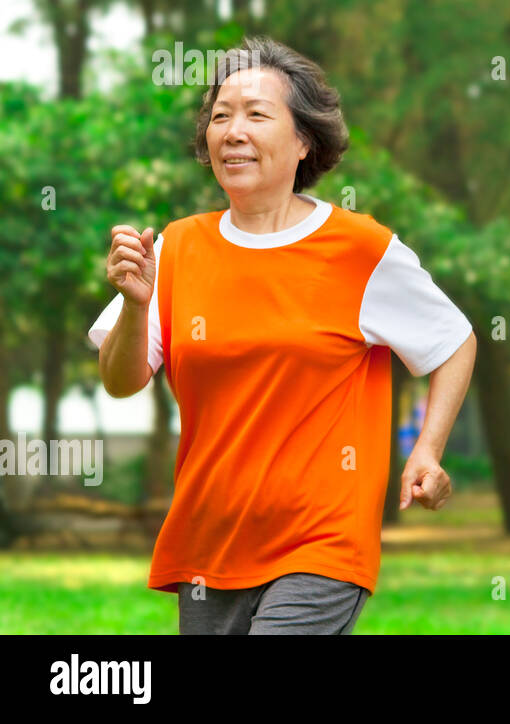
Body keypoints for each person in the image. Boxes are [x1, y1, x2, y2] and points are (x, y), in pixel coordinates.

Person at [89, 36, 476, 634]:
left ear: (303, 142)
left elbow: (452, 340)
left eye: (256, 114)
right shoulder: (175, 247)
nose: (232, 131)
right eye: (220, 116)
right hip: (211, 546)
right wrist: (136, 306)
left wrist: (427, 449)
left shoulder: (359, 249)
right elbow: (120, 382)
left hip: (322, 543)